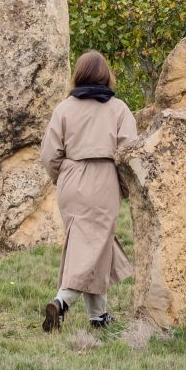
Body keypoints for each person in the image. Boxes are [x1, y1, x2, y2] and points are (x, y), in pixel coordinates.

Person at [39, 50, 137, 331]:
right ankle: (62, 302)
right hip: (103, 177)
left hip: (71, 179)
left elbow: (49, 154)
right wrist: (122, 186)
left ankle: (98, 316)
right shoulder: (118, 109)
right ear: (106, 75)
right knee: (95, 243)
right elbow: (129, 151)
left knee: (92, 244)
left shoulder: (64, 109)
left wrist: (63, 177)